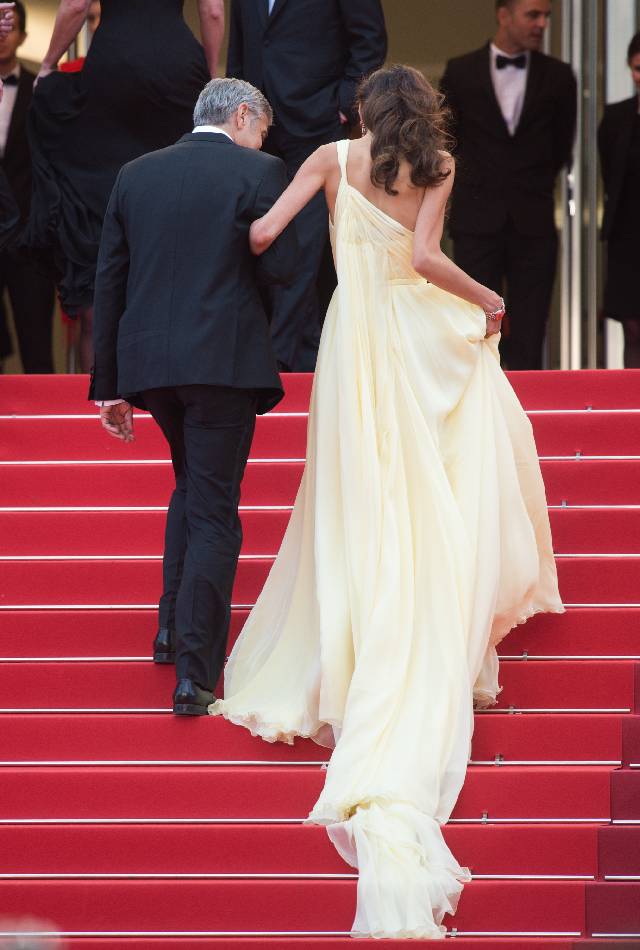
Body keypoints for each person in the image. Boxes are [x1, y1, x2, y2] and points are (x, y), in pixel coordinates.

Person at [212, 65, 563, 938]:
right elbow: (426, 259)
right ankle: (432, 611)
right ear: (424, 112)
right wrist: (489, 298)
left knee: (356, 495)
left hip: (355, 345)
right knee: (435, 476)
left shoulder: (332, 157)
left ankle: (354, 645)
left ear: (361, 112)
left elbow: (260, 235)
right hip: (416, 339)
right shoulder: (437, 164)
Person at [91, 78, 298, 717]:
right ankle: (195, 672)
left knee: (190, 487)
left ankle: (170, 631)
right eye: (262, 126)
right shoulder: (261, 171)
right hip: (223, 363)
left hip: (152, 366)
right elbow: (281, 266)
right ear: (242, 115)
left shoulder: (135, 174)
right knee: (213, 508)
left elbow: (110, 277)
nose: (264, 140)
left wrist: (109, 382)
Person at [23, 0, 224, 372]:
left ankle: (103, 382)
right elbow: (212, 11)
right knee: (176, 192)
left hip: (113, 61)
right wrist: (211, 72)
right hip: (177, 63)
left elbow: (76, 6)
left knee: (105, 194)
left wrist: (48, 64)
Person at [227, 0, 387, 372]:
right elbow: (241, 46)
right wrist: (239, 109)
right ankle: (290, 353)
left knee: (305, 239)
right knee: (258, 236)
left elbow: (370, 38)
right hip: (256, 125)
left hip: (315, 119)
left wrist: (345, 102)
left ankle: (280, 359)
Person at [440, 0, 577, 370]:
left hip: (533, 220)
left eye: (546, 16)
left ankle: (528, 411)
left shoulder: (560, 76)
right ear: (504, 15)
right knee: (472, 322)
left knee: (531, 325)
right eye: (533, 15)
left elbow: (562, 148)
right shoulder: (460, 72)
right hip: (475, 219)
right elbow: (448, 144)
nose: (542, 24)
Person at [0, 1, 55, 373]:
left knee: (36, 338)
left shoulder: (41, 90)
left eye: (9, 25)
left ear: (22, 35)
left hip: (27, 235)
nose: (1, 33)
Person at [598, 32, 640, 369]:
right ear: (629, 67)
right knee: (632, 325)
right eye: (639, 68)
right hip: (628, 235)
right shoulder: (616, 118)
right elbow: (609, 171)